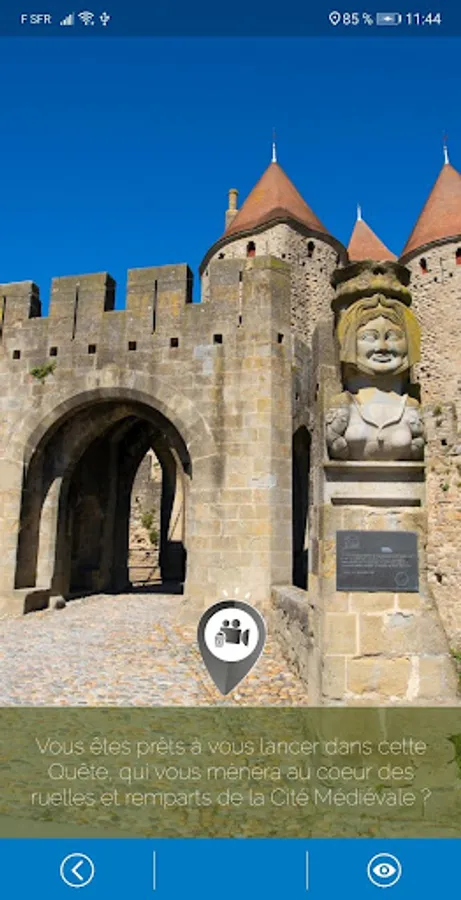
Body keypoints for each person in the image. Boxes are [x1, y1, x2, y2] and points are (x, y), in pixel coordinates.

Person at [326, 294, 425, 461]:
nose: (382, 347)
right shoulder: (343, 403)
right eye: (369, 338)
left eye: (393, 336)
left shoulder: (411, 406)